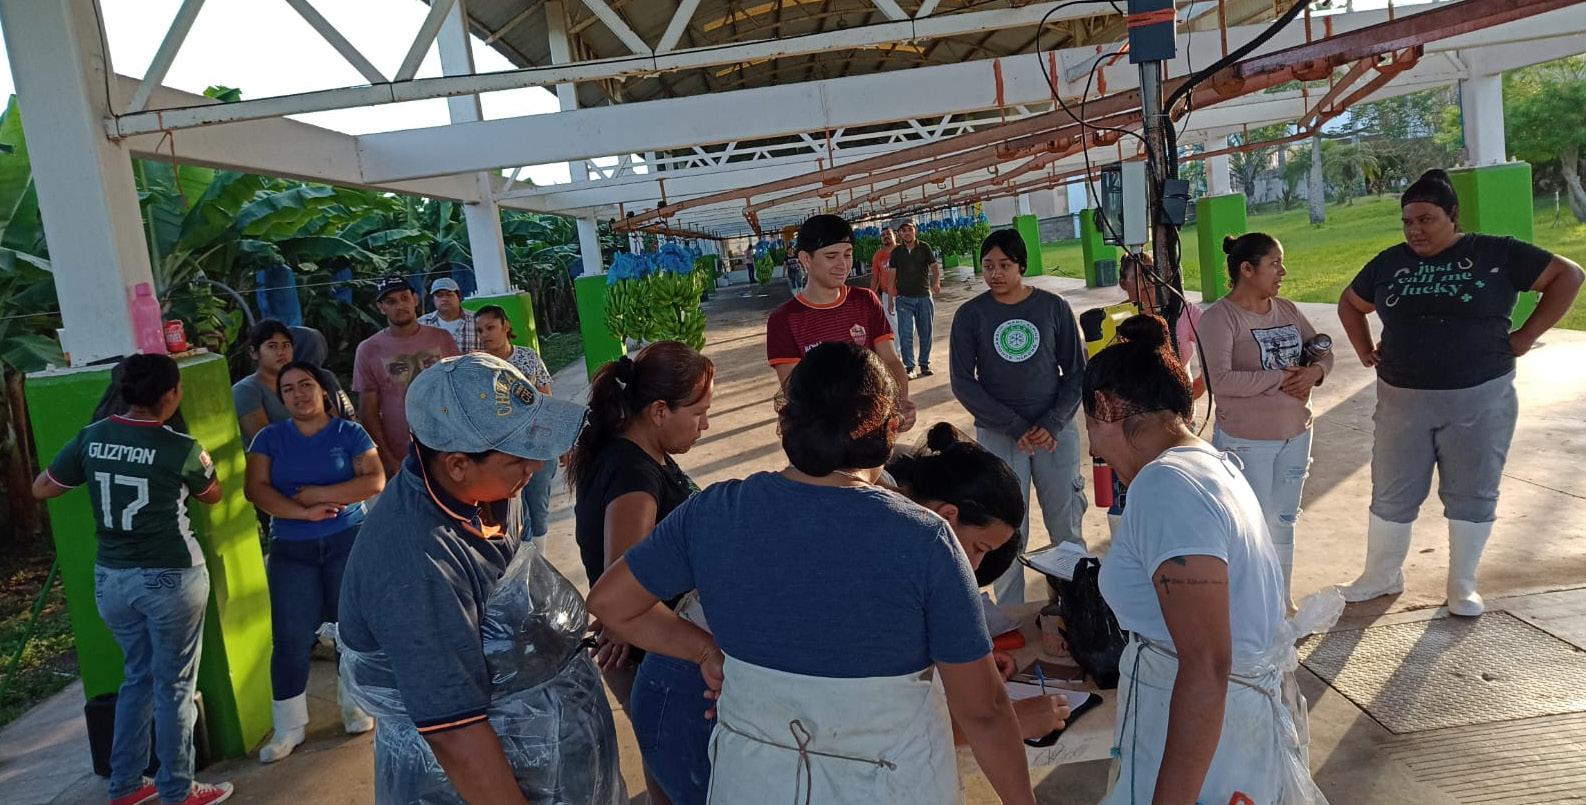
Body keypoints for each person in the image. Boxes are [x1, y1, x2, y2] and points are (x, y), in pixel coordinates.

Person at [589, 341, 1035, 805]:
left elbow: (610, 603)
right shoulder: (927, 539)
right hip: (885, 787)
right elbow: (984, 711)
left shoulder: (715, 512)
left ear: (785, 422)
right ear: (888, 429)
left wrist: (705, 651)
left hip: (754, 785)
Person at [337, 353, 621, 804]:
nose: (534, 467)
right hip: (456, 783)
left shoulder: (488, 489)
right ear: (456, 464)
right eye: (519, 457)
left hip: (541, 745)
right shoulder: (416, 564)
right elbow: (454, 732)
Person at [1084, 314, 1322, 804]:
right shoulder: (1208, 464)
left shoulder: (1167, 487)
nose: (1092, 447)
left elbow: (1208, 664)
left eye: (1088, 425)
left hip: (1209, 742)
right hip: (1219, 723)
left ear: (1104, 406)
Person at [1337, 168, 1584, 616]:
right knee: (1392, 490)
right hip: (1401, 399)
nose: (1415, 230)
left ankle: (1462, 584)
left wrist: (1526, 336)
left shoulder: (1496, 252)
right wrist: (1363, 349)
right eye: (1408, 221)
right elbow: (1350, 303)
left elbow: (1568, 275)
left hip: (1479, 396)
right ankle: (1381, 575)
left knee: (1472, 490)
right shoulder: (1389, 263)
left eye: (1426, 219)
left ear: (1453, 215)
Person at [32, 354, 234, 805]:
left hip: (113, 580)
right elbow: (213, 494)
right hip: (172, 577)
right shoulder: (181, 448)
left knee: (137, 679)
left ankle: (125, 785)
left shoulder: (92, 437)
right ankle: (177, 790)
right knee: (174, 687)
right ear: (172, 394)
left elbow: (42, 488)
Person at [568, 341, 714, 805]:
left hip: (650, 649)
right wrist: (622, 624)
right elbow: (623, 578)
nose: (705, 425)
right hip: (654, 654)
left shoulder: (640, 453)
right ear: (658, 411)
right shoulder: (633, 472)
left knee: (665, 767)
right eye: (698, 413)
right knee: (680, 774)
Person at [244, 361, 384, 763]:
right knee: (290, 639)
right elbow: (256, 489)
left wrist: (319, 495)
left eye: (305, 385)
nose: (298, 394)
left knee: (350, 630)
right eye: (288, 390)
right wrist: (303, 513)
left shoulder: (349, 433)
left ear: (323, 389)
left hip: (346, 541)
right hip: (292, 548)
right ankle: (288, 727)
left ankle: (356, 706)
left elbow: (374, 480)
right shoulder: (269, 439)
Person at [949, 229, 1088, 604]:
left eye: (1004, 265)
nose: (995, 274)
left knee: (1065, 522)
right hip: (1000, 435)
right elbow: (963, 382)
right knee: (1006, 529)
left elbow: (1076, 373)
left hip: (1053, 435)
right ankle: (1010, 613)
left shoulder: (1053, 307)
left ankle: (1075, 606)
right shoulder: (970, 315)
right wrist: (1013, 425)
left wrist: (1052, 422)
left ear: (1022, 266)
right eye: (988, 266)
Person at [1200, 233, 1332, 612]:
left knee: (1283, 520)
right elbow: (1220, 381)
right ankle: (1253, 607)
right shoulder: (1220, 318)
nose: (1282, 272)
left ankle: (1281, 600)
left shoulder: (1286, 309)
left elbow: (1322, 351)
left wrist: (1315, 373)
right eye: (1274, 264)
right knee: (1251, 525)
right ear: (1247, 269)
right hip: (1246, 441)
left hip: (1296, 433)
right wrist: (1279, 377)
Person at [766, 213, 917, 431]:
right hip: (823, 434)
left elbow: (891, 360)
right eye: (831, 256)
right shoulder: (783, 320)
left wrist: (899, 402)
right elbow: (795, 390)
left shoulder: (865, 301)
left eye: (847, 254)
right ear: (806, 259)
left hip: (873, 426)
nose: (843, 264)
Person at [353, 276, 460, 478]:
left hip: (451, 446)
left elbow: (460, 390)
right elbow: (368, 412)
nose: (400, 305)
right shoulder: (368, 350)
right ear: (381, 308)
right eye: (391, 301)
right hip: (402, 455)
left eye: (404, 298)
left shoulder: (441, 338)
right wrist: (386, 458)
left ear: (415, 300)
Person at [474, 305, 558, 539]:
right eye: (480, 330)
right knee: (516, 516)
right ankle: (525, 557)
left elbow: (547, 401)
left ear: (506, 326)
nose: (485, 335)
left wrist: (558, 441)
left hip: (537, 444)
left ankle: (538, 557)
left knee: (538, 508)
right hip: (501, 451)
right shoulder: (477, 366)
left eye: (490, 327)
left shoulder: (528, 357)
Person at [1120, 252, 1205, 398]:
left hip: (1180, 404)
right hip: (1137, 407)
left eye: (1152, 272)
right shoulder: (1115, 318)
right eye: (1139, 276)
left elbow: (1215, 340)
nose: (1148, 280)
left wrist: (1200, 386)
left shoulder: (1181, 310)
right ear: (1123, 283)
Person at [889, 218, 943, 377]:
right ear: (899, 234)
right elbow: (892, 277)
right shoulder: (896, 252)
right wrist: (891, 299)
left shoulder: (924, 247)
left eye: (910, 230)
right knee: (905, 334)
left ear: (915, 231)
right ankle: (910, 367)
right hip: (903, 299)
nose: (907, 233)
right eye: (903, 231)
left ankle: (924, 364)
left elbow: (935, 267)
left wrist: (936, 282)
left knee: (925, 332)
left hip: (924, 297)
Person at [232, 319, 294, 444]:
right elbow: (266, 442)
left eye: (286, 345)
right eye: (272, 346)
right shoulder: (245, 390)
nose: (281, 352)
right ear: (254, 352)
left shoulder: (299, 382)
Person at [417, 277, 477, 353]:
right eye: (439, 295)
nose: (444, 299)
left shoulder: (477, 320)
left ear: (459, 297)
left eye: (449, 295)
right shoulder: (422, 323)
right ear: (433, 300)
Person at [871, 226, 899, 327]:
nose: (885, 236)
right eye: (883, 235)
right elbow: (875, 278)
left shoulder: (903, 250)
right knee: (894, 326)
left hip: (905, 294)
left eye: (888, 234)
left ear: (895, 235)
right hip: (887, 295)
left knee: (908, 325)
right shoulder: (878, 255)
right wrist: (871, 295)